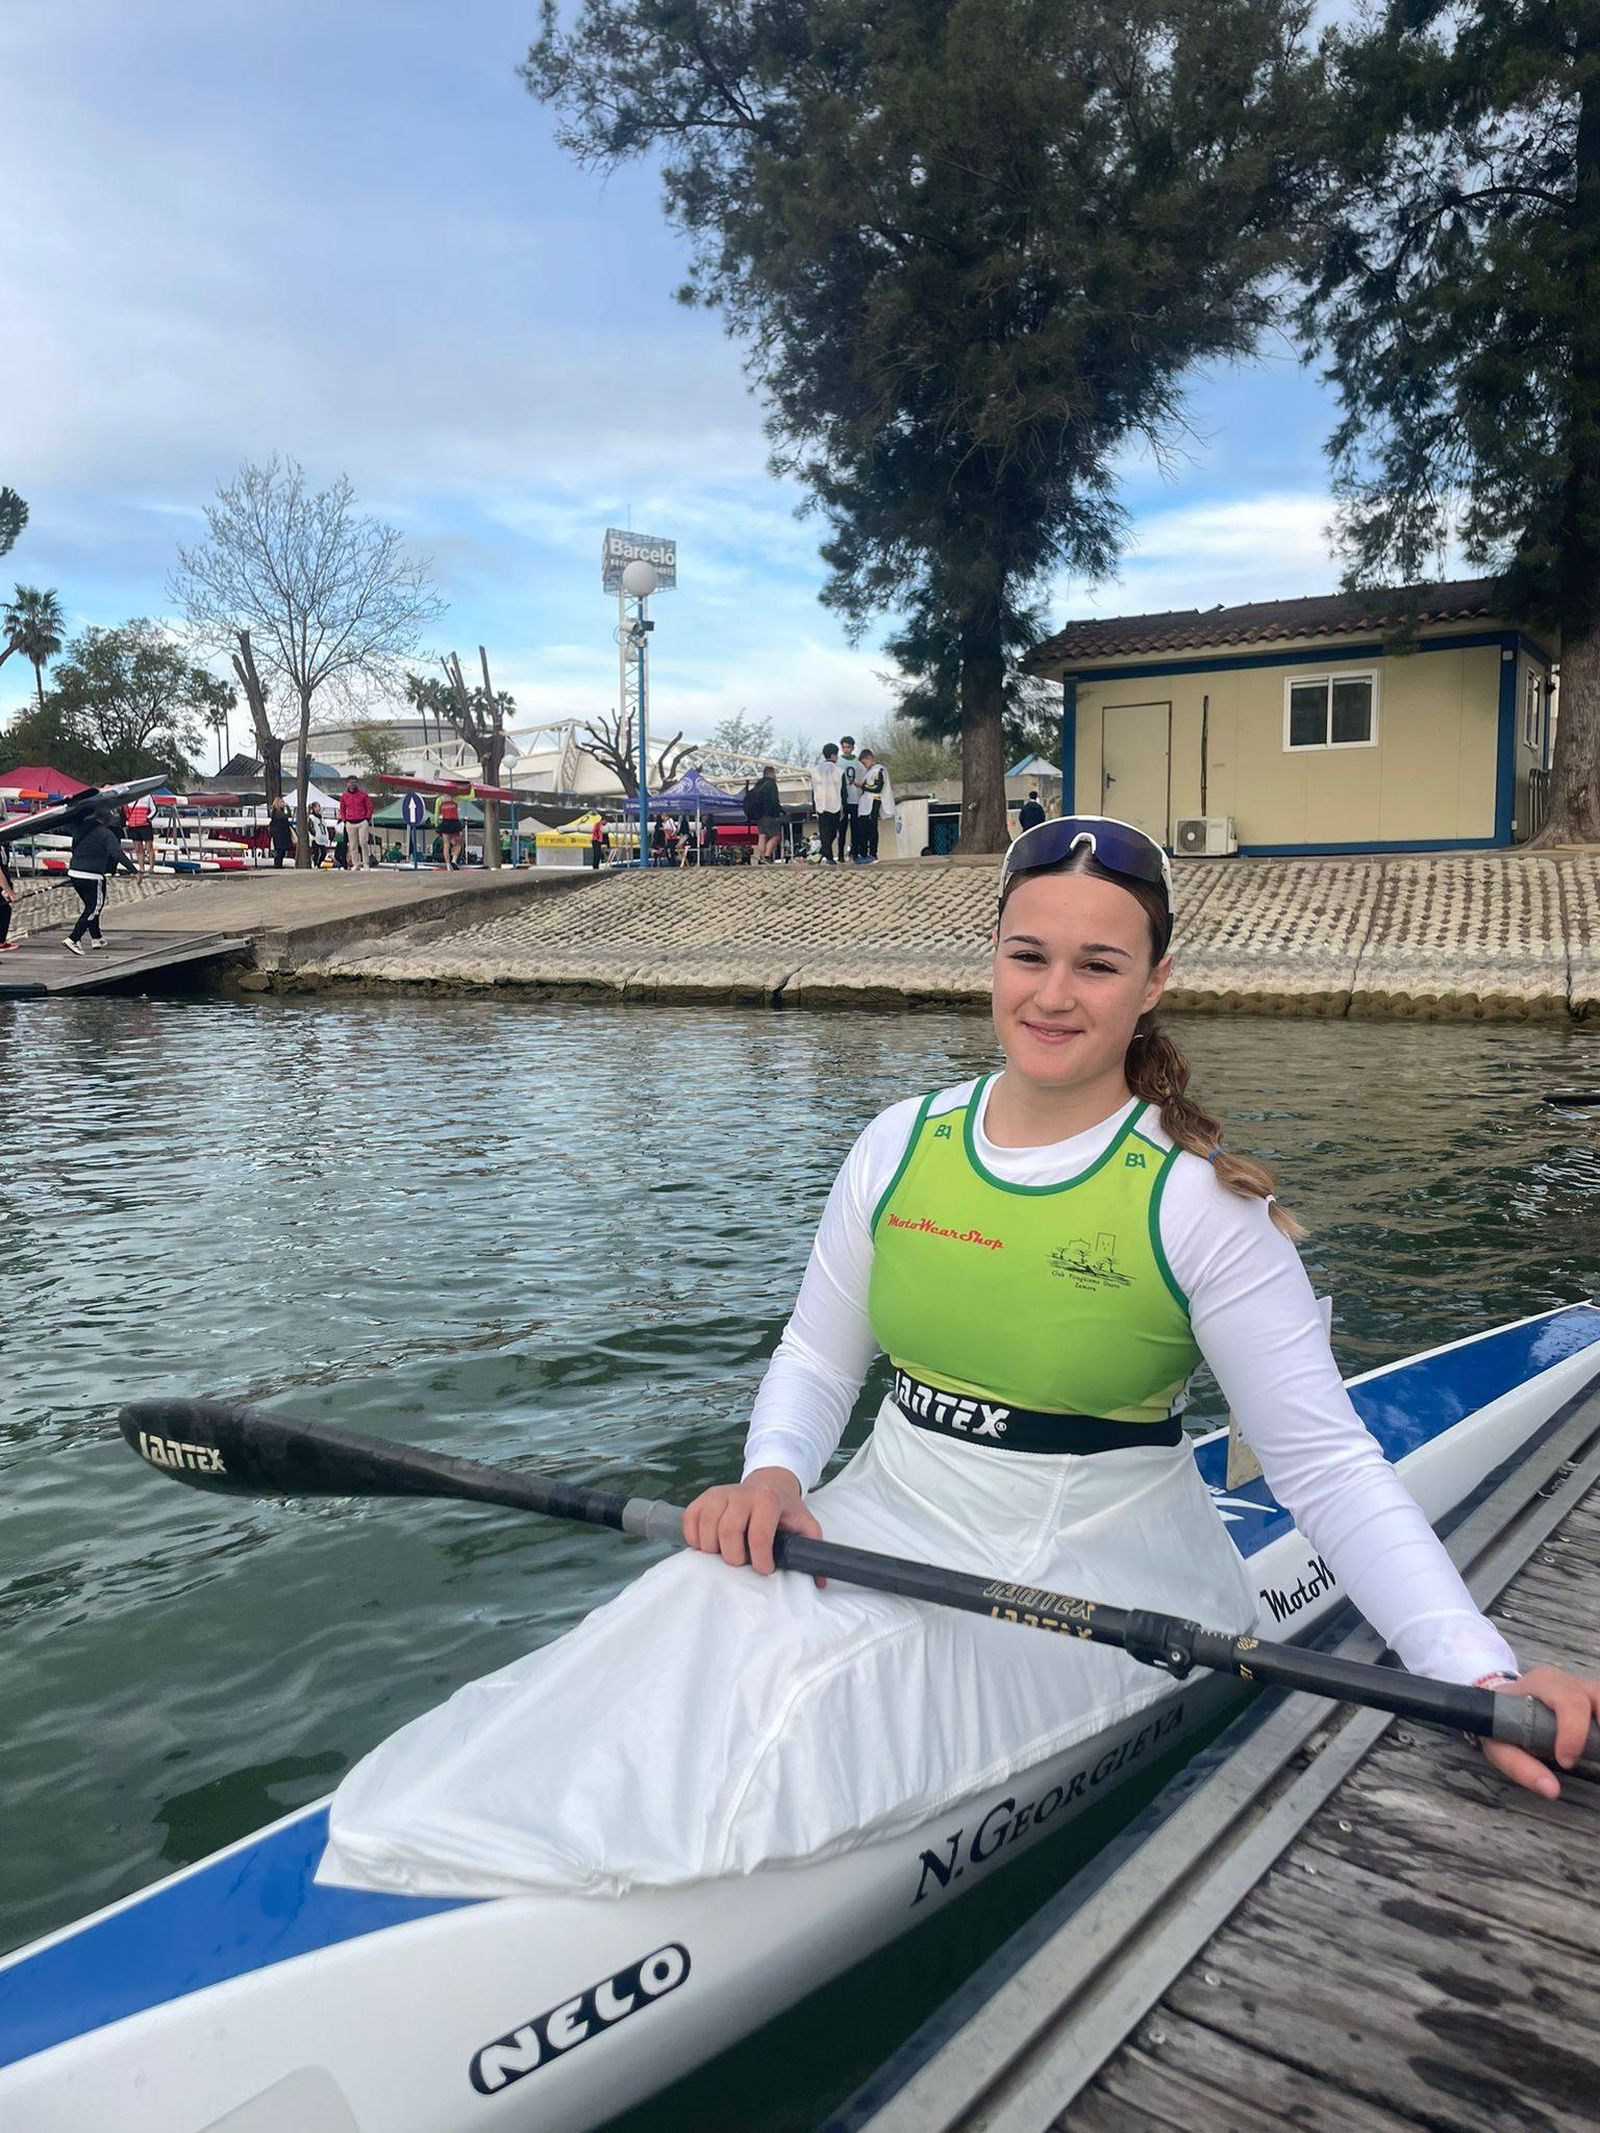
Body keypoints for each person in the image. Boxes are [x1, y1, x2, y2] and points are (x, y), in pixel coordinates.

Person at [323, 812, 1600, 1906]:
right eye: (1027, 955)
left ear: (1154, 982)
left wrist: (1478, 1674)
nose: (1053, 995)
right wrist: (772, 1476)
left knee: (798, 1706)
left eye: (1097, 965)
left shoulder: (1202, 1205)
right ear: (990, 956)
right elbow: (816, 1356)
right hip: (879, 1508)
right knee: (677, 1610)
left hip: (1090, 1568)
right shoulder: (898, 1143)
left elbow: (1323, 1468)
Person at [63, 809, 135, 955]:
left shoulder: (80, 829)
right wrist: (134, 870)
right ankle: (74, 938)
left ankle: (97, 938)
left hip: (74, 873)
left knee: (90, 906)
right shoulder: (105, 833)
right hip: (92, 875)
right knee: (94, 907)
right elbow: (117, 853)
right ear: (107, 820)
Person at [853, 749, 890, 862]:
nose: (864, 766)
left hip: (873, 802)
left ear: (869, 758)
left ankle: (873, 853)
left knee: (871, 829)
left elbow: (878, 788)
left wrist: (862, 786)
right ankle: (863, 853)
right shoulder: (868, 772)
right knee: (862, 829)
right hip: (864, 804)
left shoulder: (878, 770)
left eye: (864, 763)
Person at [812, 743, 846, 865]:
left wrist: (814, 806)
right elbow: (843, 791)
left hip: (821, 804)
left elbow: (813, 789)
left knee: (824, 832)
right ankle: (827, 855)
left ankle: (826, 854)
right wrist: (844, 805)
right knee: (833, 832)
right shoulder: (839, 771)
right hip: (835, 804)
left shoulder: (815, 771)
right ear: (833, 755)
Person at [747, 765, 784, 864]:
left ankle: (761, 857)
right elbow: (774, 800)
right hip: (769, 815)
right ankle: (767, 856)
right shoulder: (771, 784)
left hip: (759, 815)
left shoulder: (758, 784)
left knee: (762, 835)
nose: (775, 775)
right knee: (775, 836)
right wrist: (778, 813)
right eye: (774, 773)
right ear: (770, 773)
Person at [338, 779, 375, 870]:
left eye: (354, 782)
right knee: (353, 845)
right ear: (347, 784)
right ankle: (356, 864)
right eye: (350, 783)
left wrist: (367, 818)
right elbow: (342, 809)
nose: (352, 784)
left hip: (362, 821)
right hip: (350, 822)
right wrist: (345, 820)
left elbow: (369, 807)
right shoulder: (344, 796)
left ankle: (366, 863)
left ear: (357, 784)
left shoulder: (363, 795)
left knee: (363, 842)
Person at [124, 793, 158, 872]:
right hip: (133, 825)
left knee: (149, 847)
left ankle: (151, 868)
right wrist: (127, 821)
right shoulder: (129, 797)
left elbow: (155, 810)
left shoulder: (147, 796)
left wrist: (147, 818)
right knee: (138, 848)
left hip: (145, 825)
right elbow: (126, 810)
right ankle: (141, 868)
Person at [437, 792, 465, 870]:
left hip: (445, 822)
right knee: (458, 844)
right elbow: (466, 796)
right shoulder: (455, 799)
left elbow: (437, 813)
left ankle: (448, 865)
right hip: (454, 822)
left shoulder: (440, 800)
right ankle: (454, 859)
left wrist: (436, 823)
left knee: (446, 845)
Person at [268, 799, 296, 869]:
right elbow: (286, 816)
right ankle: (277, 865)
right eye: (281, 802)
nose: (283, 803)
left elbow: (289, 815)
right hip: (279, 834)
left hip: (283, 833)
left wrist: (287, 807)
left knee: (282, 851)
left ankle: (279, 864)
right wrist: (286, 807)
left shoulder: (281, 811)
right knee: (280, 850)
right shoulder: (276, 812)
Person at [0, 840, 16, 951]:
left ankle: (1, 941)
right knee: (4, 910)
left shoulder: (4, 845)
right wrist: (10, 892)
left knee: (4, 909)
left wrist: (9, 887)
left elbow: (4, 867)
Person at [306, 802, 333, 868]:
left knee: (324, 853)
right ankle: (315, 864)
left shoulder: (321, 818)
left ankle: (319, 864)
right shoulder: (311, 817)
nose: (319, 808)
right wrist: (315, 833)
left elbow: (325, 827)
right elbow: (310, 827)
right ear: (314, 808)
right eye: (318, 806)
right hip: (314, 838)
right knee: (316, 853)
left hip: (322, 837)